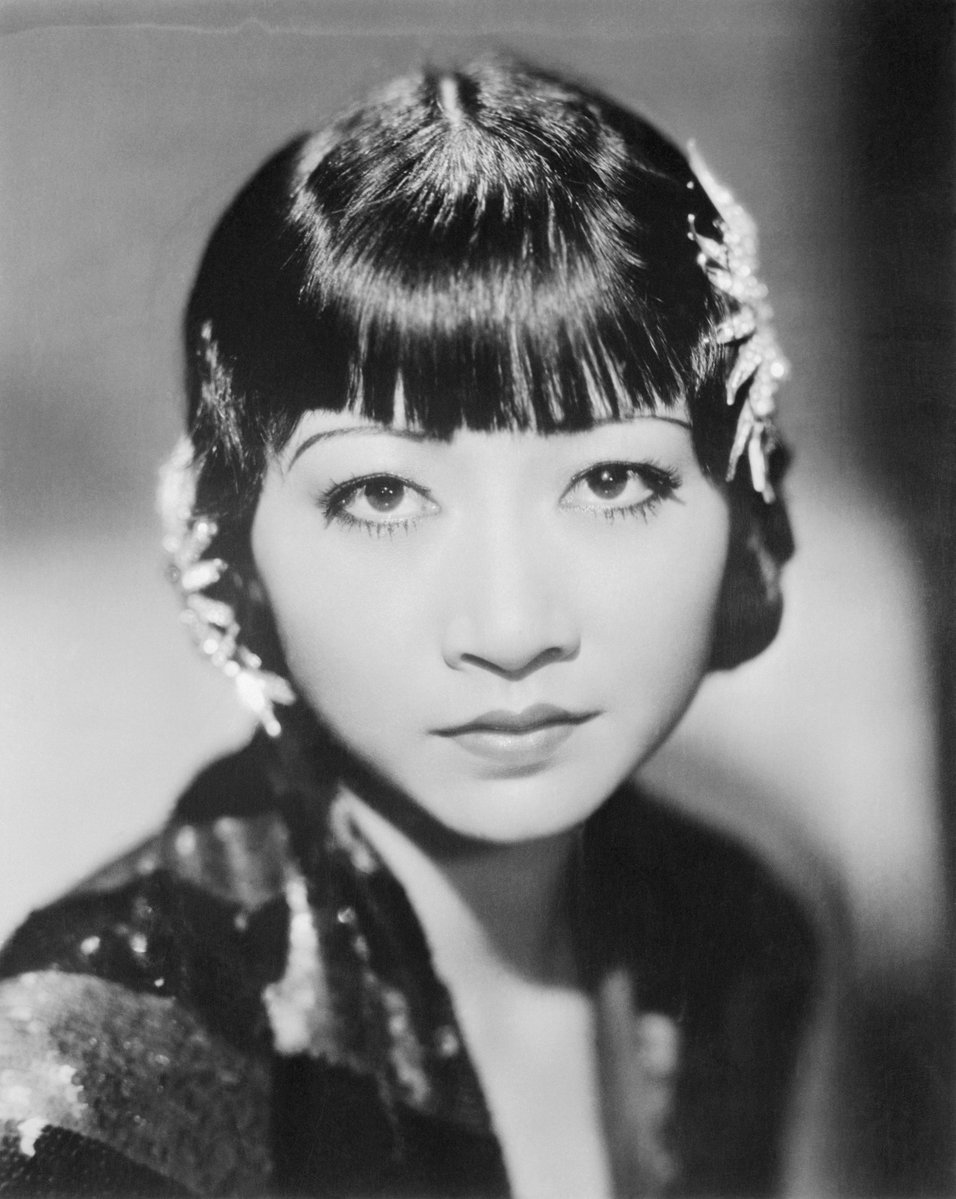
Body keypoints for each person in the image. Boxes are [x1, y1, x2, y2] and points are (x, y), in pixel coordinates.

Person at [0, 56, 816, 1198]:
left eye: (614, 477)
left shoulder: (733, 934)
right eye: (380, 493)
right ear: (236, 546)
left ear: (743, 509)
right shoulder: (92, 1061)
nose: (510, 622)